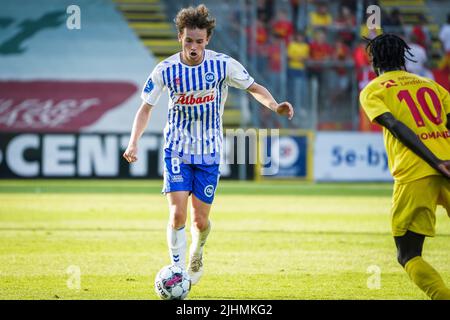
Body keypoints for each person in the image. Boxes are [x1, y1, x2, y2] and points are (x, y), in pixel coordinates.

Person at [123, 5, 293, 286]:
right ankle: (177, 271)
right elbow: (145, 108)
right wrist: (133, 143)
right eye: (188, 40)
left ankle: (197, 250)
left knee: (200, 222)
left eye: (199, 41)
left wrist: (275, 105)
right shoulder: (165, 70)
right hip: (176, 148)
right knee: (177, 213)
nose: (193, 47)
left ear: (207, 40)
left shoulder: (223, 65)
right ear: (180, 37)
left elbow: (254, 88)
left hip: (209, 152)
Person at [360, 33, 450, 300]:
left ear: (374, 59)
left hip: (415, 173)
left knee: (408, 254)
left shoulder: (374, 89)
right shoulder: (432, 86)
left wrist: (433, 161)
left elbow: (396, 127)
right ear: (404, 56)